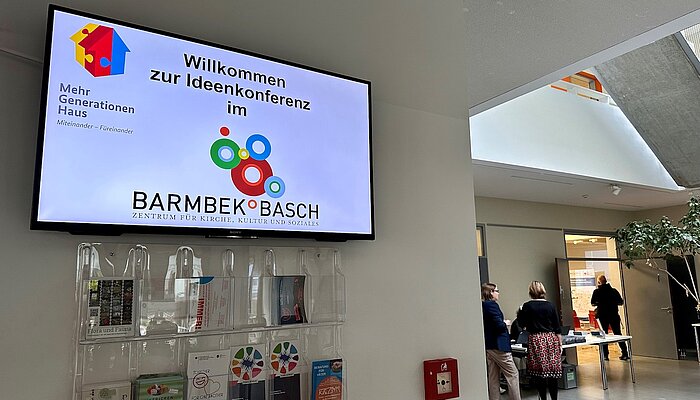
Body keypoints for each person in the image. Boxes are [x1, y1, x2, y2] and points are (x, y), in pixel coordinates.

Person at [519, 281, 561, 400]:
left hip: (536, 339)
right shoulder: (550, 305)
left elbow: (522, 324)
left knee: (539, 373)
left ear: (530, 292)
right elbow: (557, 326)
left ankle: (543, 398)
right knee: (553, 372)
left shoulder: (527, 306)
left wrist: (520, 312)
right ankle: (554, 398)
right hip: (550, 338)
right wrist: (560, 343)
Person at [481, 283, 522, 400]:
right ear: (491, 292)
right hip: (500, 346)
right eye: (497, 291)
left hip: (490, 345)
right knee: (513, 374)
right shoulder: (492, 306)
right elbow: (499, 325)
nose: (498, 293)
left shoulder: (483, 305)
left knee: (493, 377)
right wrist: (505, 323)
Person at [590, 275, 629, 360]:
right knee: (618, 334)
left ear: (599, 282)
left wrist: (600, 304)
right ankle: (625, 353)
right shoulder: (613, 291)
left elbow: (593, 303)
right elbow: (620, 302)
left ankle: (605, 355)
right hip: (614, 315)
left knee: (604, 335)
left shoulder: (597, 292)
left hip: (602, 316)